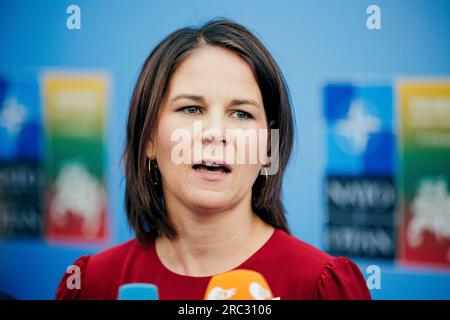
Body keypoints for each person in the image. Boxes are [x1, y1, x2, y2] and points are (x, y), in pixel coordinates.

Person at [55, 18, 371, 300]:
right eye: (191, 109)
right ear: (149, 138)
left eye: (241, 114)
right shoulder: (93, 283)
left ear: (268, 149)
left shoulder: (321, 286)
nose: (216, 133)